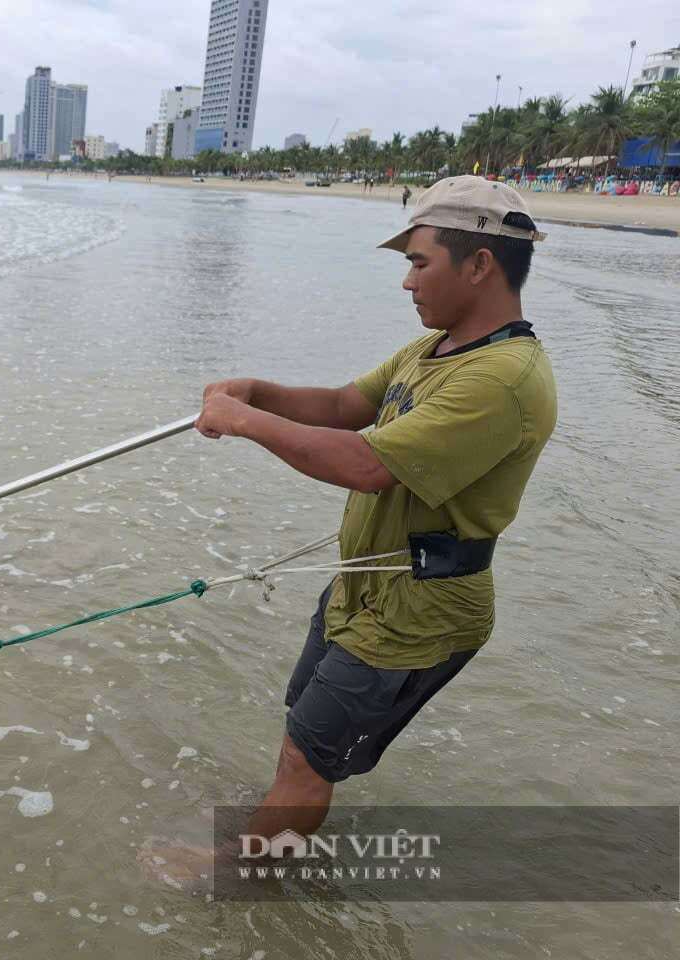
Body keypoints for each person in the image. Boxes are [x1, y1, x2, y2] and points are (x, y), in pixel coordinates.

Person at [140, 176, 557, 888]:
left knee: (308, 758)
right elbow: (343, 405)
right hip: (369, 586)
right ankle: (283, 830)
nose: (406, 282)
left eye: (419, 262)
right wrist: (257, 392)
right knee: (304, 735)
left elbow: (366, 465)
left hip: (421, 609)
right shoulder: (436, 350)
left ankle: (234, 880)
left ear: (480, 264)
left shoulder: (503, 378)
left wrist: (242, 422)